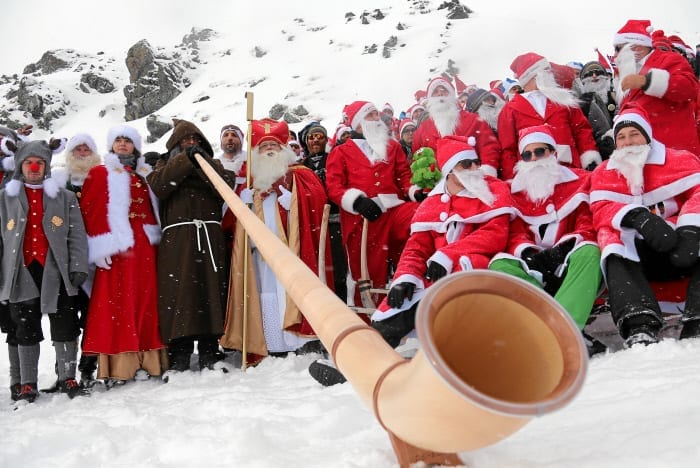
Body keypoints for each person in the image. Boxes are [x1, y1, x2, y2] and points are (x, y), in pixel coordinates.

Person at [309, 135, 513, 386]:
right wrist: (404, 277)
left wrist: (447, 255)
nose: (475, 169)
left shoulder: (493, 192)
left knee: (433, 294)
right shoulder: (434, 204)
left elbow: (494, 234)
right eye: (466, 164)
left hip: (474, 269)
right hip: (438, 273)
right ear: (449, 171)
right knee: (403, 300)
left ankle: (399, 358)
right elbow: (417, 248)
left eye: (475, 162)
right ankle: (357, 364)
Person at [589, 105, 700, 347]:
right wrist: (636, 217)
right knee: (610, 238)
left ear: (647, 136)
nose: (628, 142)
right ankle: (638, 322)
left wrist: (691, 227)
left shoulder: (680, 161)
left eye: (634, 134)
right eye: (621, 137)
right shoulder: (603, 173)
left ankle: (697, 317)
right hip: (638, 253)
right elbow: (600, 209)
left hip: (679, 245)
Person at [219, 118, 329, 361]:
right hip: (259, 253)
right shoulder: (250, 182)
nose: (269, 149)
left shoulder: (300, 174)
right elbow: (231, 223)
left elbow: (319, 202)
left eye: (274, 145)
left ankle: (298, 340)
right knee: (265, 293)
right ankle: (269, 341)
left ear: (284, 148)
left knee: (291, 291)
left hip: (292, 249)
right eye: (264, 146)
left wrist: (294, 201)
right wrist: (243, 203)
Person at [489, 125, 602, 333]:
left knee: (590, 251)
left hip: (569, 262)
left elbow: (587, 222)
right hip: (534, 269)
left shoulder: (581, 180)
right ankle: (544, 327)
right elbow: (514, 233)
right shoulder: (514, 192)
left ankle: (563, 331)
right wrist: (529, 252)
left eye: (540, 152)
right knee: (500, 265)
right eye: (527, 154)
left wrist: (564, 248)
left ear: (553, 153)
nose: (534, 159)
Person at [0, 139, 89, 401]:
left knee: (66, 326)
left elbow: (77, 236)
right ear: (20, 165)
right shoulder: (5, 199)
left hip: (57, 272)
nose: (35, 167)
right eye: (29, 162)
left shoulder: (66, 197)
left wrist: (78, 266)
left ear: (47, 166)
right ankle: (27, 383)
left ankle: (67, 378)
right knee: (24, 328)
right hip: (20, 273)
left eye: (40, 163)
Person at [79, 126, 166, 386]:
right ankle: (121, 364)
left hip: (146, 247)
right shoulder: (100, 172)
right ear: (111, 145)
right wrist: (98, 246)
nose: (123, 144)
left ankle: (148, 361)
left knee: (146, 302)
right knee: (118, 304)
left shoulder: (146, 174)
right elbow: (90, 210)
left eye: (128, 140)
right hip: (116, 249)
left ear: (135, 145)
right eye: (118, 140)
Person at [147, 119, 232, 375]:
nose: (192, 145)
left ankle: (209, 350)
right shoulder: (163, 165)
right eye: (186, 141)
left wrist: (200, 164)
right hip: (178, 241)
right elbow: (160, 186)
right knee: (179, 294)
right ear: (175, 144)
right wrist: (185, 160)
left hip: (208, 236)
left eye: (196, 141)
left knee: (210, 292)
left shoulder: (213, 166)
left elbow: (225, 186)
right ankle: (179, 354)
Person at [326, 101, 422, 307]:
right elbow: (334, 186)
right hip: (362, 220)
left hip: (394, 210)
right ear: (358, 122)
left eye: (377, 115)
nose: (376, 119)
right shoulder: (341, 152)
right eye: (370, 116)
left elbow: (404, 177)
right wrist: (357, 201)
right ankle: (368, 318)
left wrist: (415, 192)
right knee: (368, 274)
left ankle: (414, 290)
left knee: (421, 219)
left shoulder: (392, 146)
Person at [48, 133, 102, 388]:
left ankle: (88, 369)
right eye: (77, 148)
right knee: (64, 319)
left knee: (93, 318)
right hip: (64, 258)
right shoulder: (59, 180)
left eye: (86, 148)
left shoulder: (101, 178)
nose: (82, 152)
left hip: (96, 259)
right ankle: (64, 372)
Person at [498, 52, 602, 181]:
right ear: (532, 75)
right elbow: (508, 149)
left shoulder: (563, 99)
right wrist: (512, 178)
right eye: (545, 71)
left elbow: (582, 131)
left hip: (571, 169)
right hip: (533, 177)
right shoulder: (510, 109)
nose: (550, 74)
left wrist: (589, 157)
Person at [612, 19, 700, 155]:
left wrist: (646, 81)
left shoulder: (669, 59)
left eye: (618, 49)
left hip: (673, 150)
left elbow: (689, 88)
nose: (615, 55)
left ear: (636, 46)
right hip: (643, 152)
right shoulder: (629, 71)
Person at [412, 76, 502, 178]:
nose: (440, 94)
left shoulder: (473, 120)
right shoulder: (421, 131)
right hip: (440, 185)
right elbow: (418, 160)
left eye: (444, 90)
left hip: (474, 179)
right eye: (435, 92)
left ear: (451, 94)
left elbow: (489, 146)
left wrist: (487, 170)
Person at [301, 123, 348, 302]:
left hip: (335, 221)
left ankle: (340, 301)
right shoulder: (302, 166)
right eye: (311, 138)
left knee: (337, 265)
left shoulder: (334, 159)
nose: (315, 141)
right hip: (313, 221)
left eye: (319, 137)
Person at [572, 61, 616, 160]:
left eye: (598, 72)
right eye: (589, 74)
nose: (595, 76)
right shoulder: (580, 102)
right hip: (594, 150)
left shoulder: (616, 95)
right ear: (582, 80)